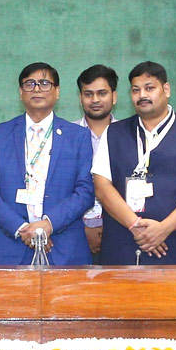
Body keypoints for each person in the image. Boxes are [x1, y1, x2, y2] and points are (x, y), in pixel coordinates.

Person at [92, 61, 176, 265]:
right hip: (123, 250)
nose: (142, 95)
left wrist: (164, 228)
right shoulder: (114, 133)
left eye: (149, 88)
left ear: (166, 89)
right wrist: (136, 226)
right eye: (136, 90)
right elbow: (101, 187)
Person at [0, 63, 94, 265]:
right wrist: (23, 229)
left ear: (57, 92)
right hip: (9, 248)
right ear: (20, 92)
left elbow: (85, 191)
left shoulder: (78, 136)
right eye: (30, 84)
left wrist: (48, 225)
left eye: (44, 83)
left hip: (63, 248)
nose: (37, 89)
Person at [73, 64, 117, 257]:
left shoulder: (129, 135)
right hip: (74, 233)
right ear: (80, 98)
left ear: (114, 96)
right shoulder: (67, 135)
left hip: (120, 231)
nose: (95, 100)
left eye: (102, 93)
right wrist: (82, 229)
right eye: (88, 94)